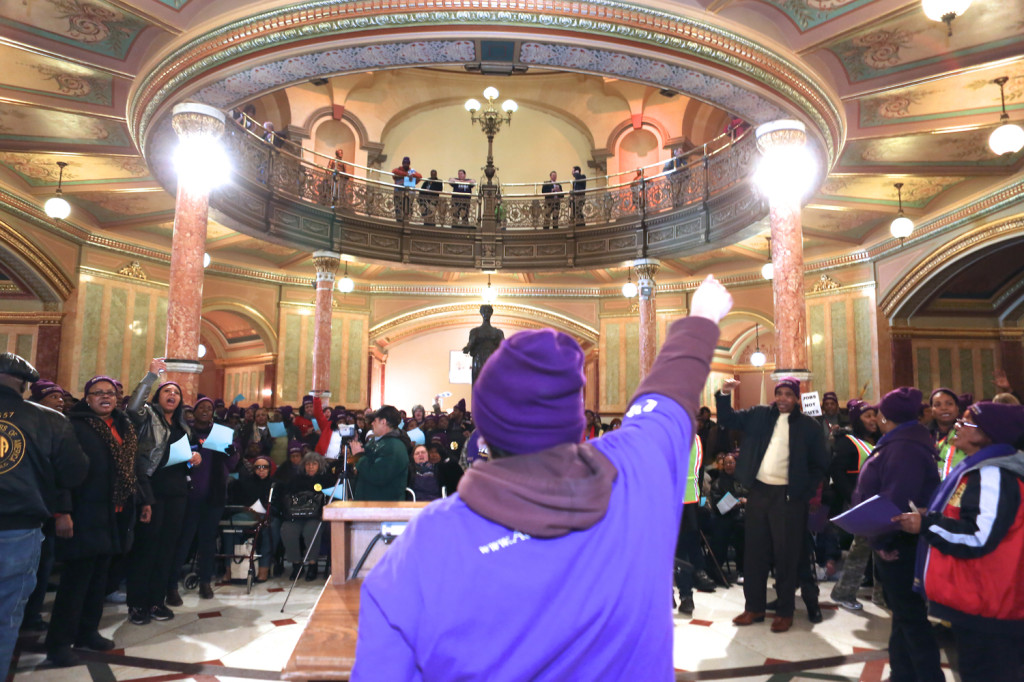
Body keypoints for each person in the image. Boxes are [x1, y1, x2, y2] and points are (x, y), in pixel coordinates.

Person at [351, 275, 732, 679]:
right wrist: (702, 318)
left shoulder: (425, 545)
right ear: (571, 420)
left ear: (486, 429)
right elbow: (670, 395)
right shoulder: (634, 470)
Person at [895, 401, 1024, 682]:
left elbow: (979, 536)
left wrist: (925, 524)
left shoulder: (994, 474)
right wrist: (933, 515)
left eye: (967, 422)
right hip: (979, 599)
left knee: (987, 672)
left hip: (991, 602)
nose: (958, 426)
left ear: (987, 434)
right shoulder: (978, 467)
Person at [715, 376, 829, 633]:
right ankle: (753, 608)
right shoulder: (759, 415)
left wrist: (803, 491)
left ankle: (785, 611)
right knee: (754, 553)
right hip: (758, 493)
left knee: (786, 555)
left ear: (797, 398)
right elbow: (727, 419)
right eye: (779, 394)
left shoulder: (809, 427)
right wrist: (724, 393)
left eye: (789, 394)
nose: (783, 399)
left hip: (789, 498)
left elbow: (820, 464)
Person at [0, 354, 88, 674]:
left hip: (17, 527)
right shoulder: (50, 419)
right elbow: (74, 474)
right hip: (17, 529)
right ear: (24, 384)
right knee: (4, 616)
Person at [46, 376, 138, 667]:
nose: (104, 397)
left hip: (114, 513)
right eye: (97, 393)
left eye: (109, 393)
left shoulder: (123, 425)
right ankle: (59, 643)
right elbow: (58, 471)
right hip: (83, 513)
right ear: (87, 398)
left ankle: (88, 631)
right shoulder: (74, 425)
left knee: (99, 580)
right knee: (75, 583)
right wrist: (63, 512)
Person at [853, 387, 943, 682]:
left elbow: (894, 500)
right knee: (902, 616)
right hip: (898, 539)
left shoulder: (903, 447)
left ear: (885, 416)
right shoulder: (906, 440)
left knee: (911, 619)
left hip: (898, 542)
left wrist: (881, 540)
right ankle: (902, 674)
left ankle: (928, 677)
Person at [124, 358, 200, 626]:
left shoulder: (183, 426)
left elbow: (179, 455)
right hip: (152, 489)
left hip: (177, 491)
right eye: (167, 391)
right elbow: (132, 407)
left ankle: (156, 601)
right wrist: (151, 376)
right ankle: (137, 604)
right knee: (147, 547)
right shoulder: (148, 416)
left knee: (167, 548)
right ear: (158, 396)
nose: (172, 395)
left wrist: (193, 457)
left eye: (177, 392)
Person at [167, 397, 239, 603]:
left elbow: (232, 464)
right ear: (194, 411)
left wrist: (232, 451)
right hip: (188, 496)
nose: (206, 410)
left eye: (210, 408)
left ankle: (206, 582)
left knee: (208, 542)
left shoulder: (220, 434)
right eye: (202, 408)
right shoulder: (184, 432)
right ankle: (171, 585)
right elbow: (175, 460)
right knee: (184, 541)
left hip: (213, 496)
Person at [21, 380, 67, 633]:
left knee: (43, 564)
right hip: (29, 508)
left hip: (50, 508)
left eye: (61, 398)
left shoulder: (61, 426)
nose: (60, 402)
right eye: (53, 398)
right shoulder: (31, 427)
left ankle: (32, 615)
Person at [827, 399, 880, 611]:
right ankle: (844, 591)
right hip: (861, 503)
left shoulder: (881, 440)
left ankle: (880, 594)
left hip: (880, 502)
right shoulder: (848, 442)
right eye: (867, 416)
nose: (873, 419)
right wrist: (853, 498)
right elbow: (838, 473)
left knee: (882, 548)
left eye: (874, 415)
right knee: (861, 548)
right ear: (857, 419)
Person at [278, 452, 333, 581]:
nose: (310, 467)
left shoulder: (327, 479)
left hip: (316, 516)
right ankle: (296, 564)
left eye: (314, 464)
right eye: (308, 464)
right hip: (295, 515)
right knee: (287, 530)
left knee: (311, 531)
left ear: (320, 465)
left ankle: (312, 564)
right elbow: (286, 497)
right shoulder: (295, 479)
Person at [351, 406, 408, 501]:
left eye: (375, 420)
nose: (372, 423)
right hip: (370, 505)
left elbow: (378, 476)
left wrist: (358, 457)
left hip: (384, 508)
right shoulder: (376, 442)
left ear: (383, 422)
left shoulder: (394, 447)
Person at [463, 304, 505, 385]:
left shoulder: (498, 332)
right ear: (481, 313)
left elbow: (504, 347)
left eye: (488, 311)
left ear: (491, 313)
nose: (486, 313)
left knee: (492, 383)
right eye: (484, 311)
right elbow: (470, 345)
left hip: (492, 360)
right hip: (479, 359)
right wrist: (467, 348)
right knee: (478, 382)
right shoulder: (475, 331)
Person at [930, 387, 964, 480]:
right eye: (937, 405)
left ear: (957, 408)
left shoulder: (966, 433)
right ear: (932, 410)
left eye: (949, 404)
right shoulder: (925, 436)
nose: (944, 408)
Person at [391, 156, 421, 222]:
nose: (406, 164)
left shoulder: (411, 171)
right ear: (402, 163)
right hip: (398, 193)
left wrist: (411, 175)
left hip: (408, 195)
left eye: (407, 163)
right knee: (398, 207)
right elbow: (394, 172)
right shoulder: (398, 169)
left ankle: (407, 220)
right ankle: (398, 220)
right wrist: (407, 174)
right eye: (405, 163)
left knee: (407, 208)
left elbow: (419, 176)